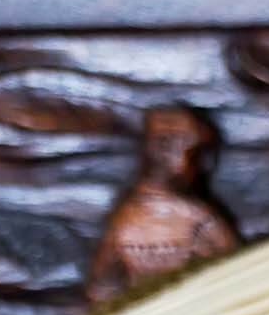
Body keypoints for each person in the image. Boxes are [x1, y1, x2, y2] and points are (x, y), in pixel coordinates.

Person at [86, 107, 239, 302]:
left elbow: (101, 288)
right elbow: (237, 273)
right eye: (197, 156)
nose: (203, 166)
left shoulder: (124, 220)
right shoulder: (197, 218)